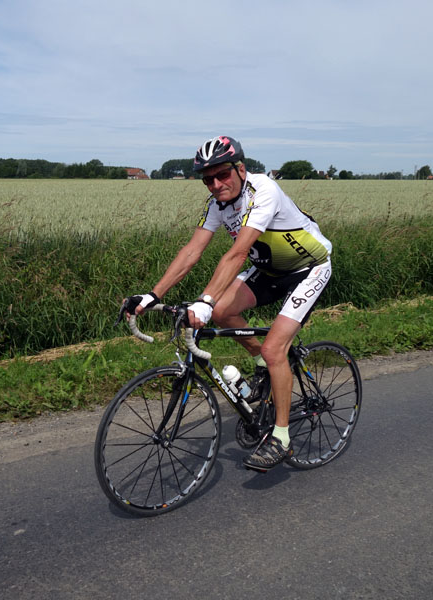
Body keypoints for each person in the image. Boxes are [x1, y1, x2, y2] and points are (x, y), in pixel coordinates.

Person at [123, 135, 333, 471]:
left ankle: (281, 437)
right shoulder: (217, 206)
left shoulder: (262, 191)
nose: (217, 184)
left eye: (223, 175)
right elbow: (192, 251)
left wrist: (204, 301)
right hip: (269, 270)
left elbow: (237, 253)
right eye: (208, 180)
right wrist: (153, 295)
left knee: (274, 348)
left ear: (241, 169)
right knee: (223, 312)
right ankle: (263, 365)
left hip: (308, 269)